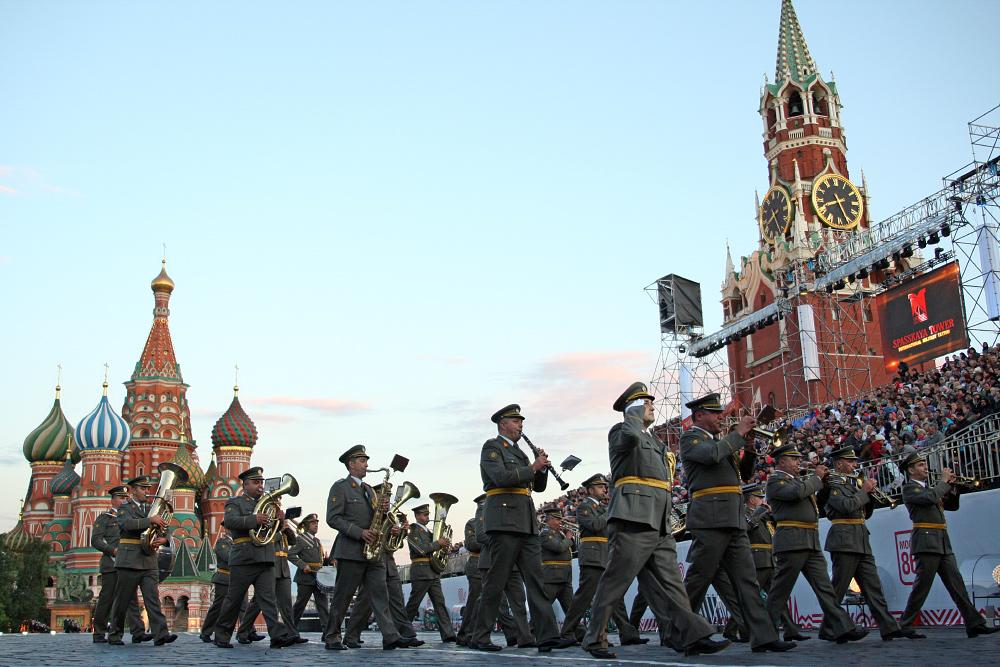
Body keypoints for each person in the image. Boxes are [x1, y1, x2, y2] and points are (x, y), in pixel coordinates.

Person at [581, 383, 727, 659]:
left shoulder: (655, 440)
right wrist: (633, 414)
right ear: (632, 408)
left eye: (650, 403)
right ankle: (594, 636)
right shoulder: (622, 430)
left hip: (658, 519)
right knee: (616, 580)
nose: (651, 406)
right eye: (645, 403)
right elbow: (630, 439)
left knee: (671, 583)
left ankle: (688, 636)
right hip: (633, 515)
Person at [677, 394, 794, 653]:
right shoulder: (690, 439)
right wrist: (738, 432)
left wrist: (749, 447)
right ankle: (681, 633)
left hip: (733, 517)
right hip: (710, 519)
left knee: (747, 580)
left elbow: (744, 474)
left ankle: (763, 636)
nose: (721, 416)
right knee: (699, 578)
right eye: (715, 413)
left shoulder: (722, 441)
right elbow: (713, 455)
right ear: (699, 416)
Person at [468, 404, 575, 653]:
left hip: (525, 522)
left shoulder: (521, 453)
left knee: (536, 580)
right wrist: (533, 466)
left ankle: (547, 635)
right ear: (502, 423)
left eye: (521, 421)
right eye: (516, 421)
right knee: (496, 581)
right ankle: (480, 635)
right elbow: (501, 478)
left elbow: (536, 488)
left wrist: (543, 469)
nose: (520, 425)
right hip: (504, 521)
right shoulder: (492, 447)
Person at [764, 444, 867, 644]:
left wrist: (825, 485)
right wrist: (817, 478)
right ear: (782, 461)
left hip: (809, 540)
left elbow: (816, 503)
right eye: (794, 459)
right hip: (792, 540)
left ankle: (841, 628)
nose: (798, 463)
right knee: (779, 592)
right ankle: (764, 635)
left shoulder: (799, 480)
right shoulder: (775, 481)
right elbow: (797, 493)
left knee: (825, 589)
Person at [322, 445, 418, 651]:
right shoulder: (340, 487)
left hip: (374, 552)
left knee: (380, 595)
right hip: (351, 550)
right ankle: (332, 637)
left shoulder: (368, 490)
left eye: (366, 461)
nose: (367, 465)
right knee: (343, 596)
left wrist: (387, 521)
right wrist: (359, 532)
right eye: (363, 461)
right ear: (351, 464)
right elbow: (333, 518)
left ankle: (390, 636)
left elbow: (378, 519)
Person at [824, 446, 921, 641]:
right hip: (843, 538)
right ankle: (829, 628)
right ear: (839, 463)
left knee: (873, 586)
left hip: (860, 537)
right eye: (850, 462)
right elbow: (845, 506)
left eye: (854, 462)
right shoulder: (832, 484)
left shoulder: (853, 484)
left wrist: (868, 495)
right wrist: (864, 492)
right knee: (839, 588)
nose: (854, 465)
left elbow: (865, 513)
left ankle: (888, 626)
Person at [898, 451, 999, 638]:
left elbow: (952, 506)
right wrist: (943, 482)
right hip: (926, 541)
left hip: (942, 541)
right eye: (920, 465)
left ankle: (974, 623)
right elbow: (929, 499)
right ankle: (905, 624)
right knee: (922, 587)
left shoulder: (930, 487)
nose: (925, 467)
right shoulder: (910, 488)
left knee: (957, 584)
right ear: (911, 470)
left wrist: (952, 488)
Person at [211, 467, 296, 649]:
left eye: (261, 483)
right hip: (243, 557)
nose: (260, 486)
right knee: (234, 599)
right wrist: (253, 519)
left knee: (268, 599)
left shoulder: (269, 504)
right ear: (245, 485)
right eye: (256, 482)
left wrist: (279, 520)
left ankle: (277, 635)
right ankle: (222, 635)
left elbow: (272, 530)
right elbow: (231, 522)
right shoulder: (235, 502)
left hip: (265, 557)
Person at [559, 474, 644, 646]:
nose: (604, 489)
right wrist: (610, 511)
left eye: (604, 487)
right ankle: (567, 632)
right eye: (600, 487)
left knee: (615, 596)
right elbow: (595, 525)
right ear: (590, 490)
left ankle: (627, 633)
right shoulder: (584, 507)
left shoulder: (603, 508)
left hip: (606, 554)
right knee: (584, 596)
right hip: (592, 556)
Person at [722, 484, 805, 641]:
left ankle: (790, 629)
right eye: (759, 498)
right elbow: (745, 528)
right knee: (749, 596)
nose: (762, 500)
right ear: (751, 500)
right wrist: (760, 513)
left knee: (778, 595)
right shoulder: (743, 512)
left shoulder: (764, 514)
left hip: (769, 558)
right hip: (756, 559)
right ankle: (732, 628)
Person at [107, 476, 176, 647]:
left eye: (148, 488)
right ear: (133, 490)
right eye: (143, 488)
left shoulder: (152, 508)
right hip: (129, 560)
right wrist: (149, 520)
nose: (147, 491)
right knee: (123, 601)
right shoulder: (125, 508)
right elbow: (126, 525)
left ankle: (161, 634)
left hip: (149, 559)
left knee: (153, 598)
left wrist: (164, 540)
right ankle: (115, 635)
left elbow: (165, 527)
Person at [344, 510, 424, 648]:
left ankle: (406, 635)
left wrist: (401, 532)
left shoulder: (391, 517)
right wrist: (389, 533)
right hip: (373, 562)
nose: (387, 500)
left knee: (397, 600)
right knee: (364, 604)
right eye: (385, 496)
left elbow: (396, 545)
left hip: (388, 563)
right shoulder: (368, 516)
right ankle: (351, 635)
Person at [473, 493, 535, 647]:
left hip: (512, 564)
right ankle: (479, 637)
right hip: (492, 561)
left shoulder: (514, 507)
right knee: (493, 601)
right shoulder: (485, 508)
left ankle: (524, 638)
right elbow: (481, 535)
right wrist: (506, 543)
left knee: (519, 601)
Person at [91, 485, 147, 644]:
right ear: (113, 500)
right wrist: (112, 551)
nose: (125, 500)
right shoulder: (106, 518)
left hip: (129, 562)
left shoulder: (130, 516)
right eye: (121, 498)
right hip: (112, 565)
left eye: (126, 497)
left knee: (131, 600)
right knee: (106, 600)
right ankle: (99, 633)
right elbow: (95, 540)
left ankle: (138, 632)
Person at [238, 515, 306, 644]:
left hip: (283, 569)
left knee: (286, 604)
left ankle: (293, 633)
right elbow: (263, 541)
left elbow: (293, 542)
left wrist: (288, 530)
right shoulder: (267, 529)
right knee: (257, 603)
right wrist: (280, 531)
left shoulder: (283, 531)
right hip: (270, 568)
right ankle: (243, 632)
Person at [404, 503, 457, 642]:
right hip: (421, 571)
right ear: (416, 516)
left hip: (432, 572)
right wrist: (438, 543)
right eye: (425, 515)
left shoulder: (429, 532)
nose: (428, 517)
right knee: (413, 604)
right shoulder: (412, 530)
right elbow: (420, 549)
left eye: (428, 514)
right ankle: (402, 631)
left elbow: (436, 548)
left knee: (440, 603)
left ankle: (448, 634)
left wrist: (444, 547)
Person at [199, 528, 248, 643]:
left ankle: (246, 633)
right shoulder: (222, 542)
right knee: (218, 606)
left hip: (239, 578)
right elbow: (228, 557)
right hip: (225, 578)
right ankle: (206, 632)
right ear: (227, 529)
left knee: (243, 607)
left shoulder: (240, 542)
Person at [288, 513, 330, 630]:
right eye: (313, 523)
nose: (316, 525)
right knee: (300, 605)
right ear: (306, 525)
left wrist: (329, 561)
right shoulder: (300, 539)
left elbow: (319, 560)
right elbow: (290, 554)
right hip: (305, 577)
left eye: (317, 523)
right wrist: (303, 565)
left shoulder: (317, 541)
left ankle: (327, 632)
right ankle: (290, 630)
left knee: (323, 606)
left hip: (319, 578)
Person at [538, 507, 576, 627]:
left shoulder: (560, 533)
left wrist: (568, 538)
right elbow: (558, 548)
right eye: (558, 520)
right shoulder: (545, 533)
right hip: (552, 577)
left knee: (571, 609)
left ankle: (578, 634)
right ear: (549, 520)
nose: (561, 522)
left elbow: (571, 550)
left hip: (565, 576)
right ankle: (532, 630)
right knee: (544, 607)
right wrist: (568, 539)